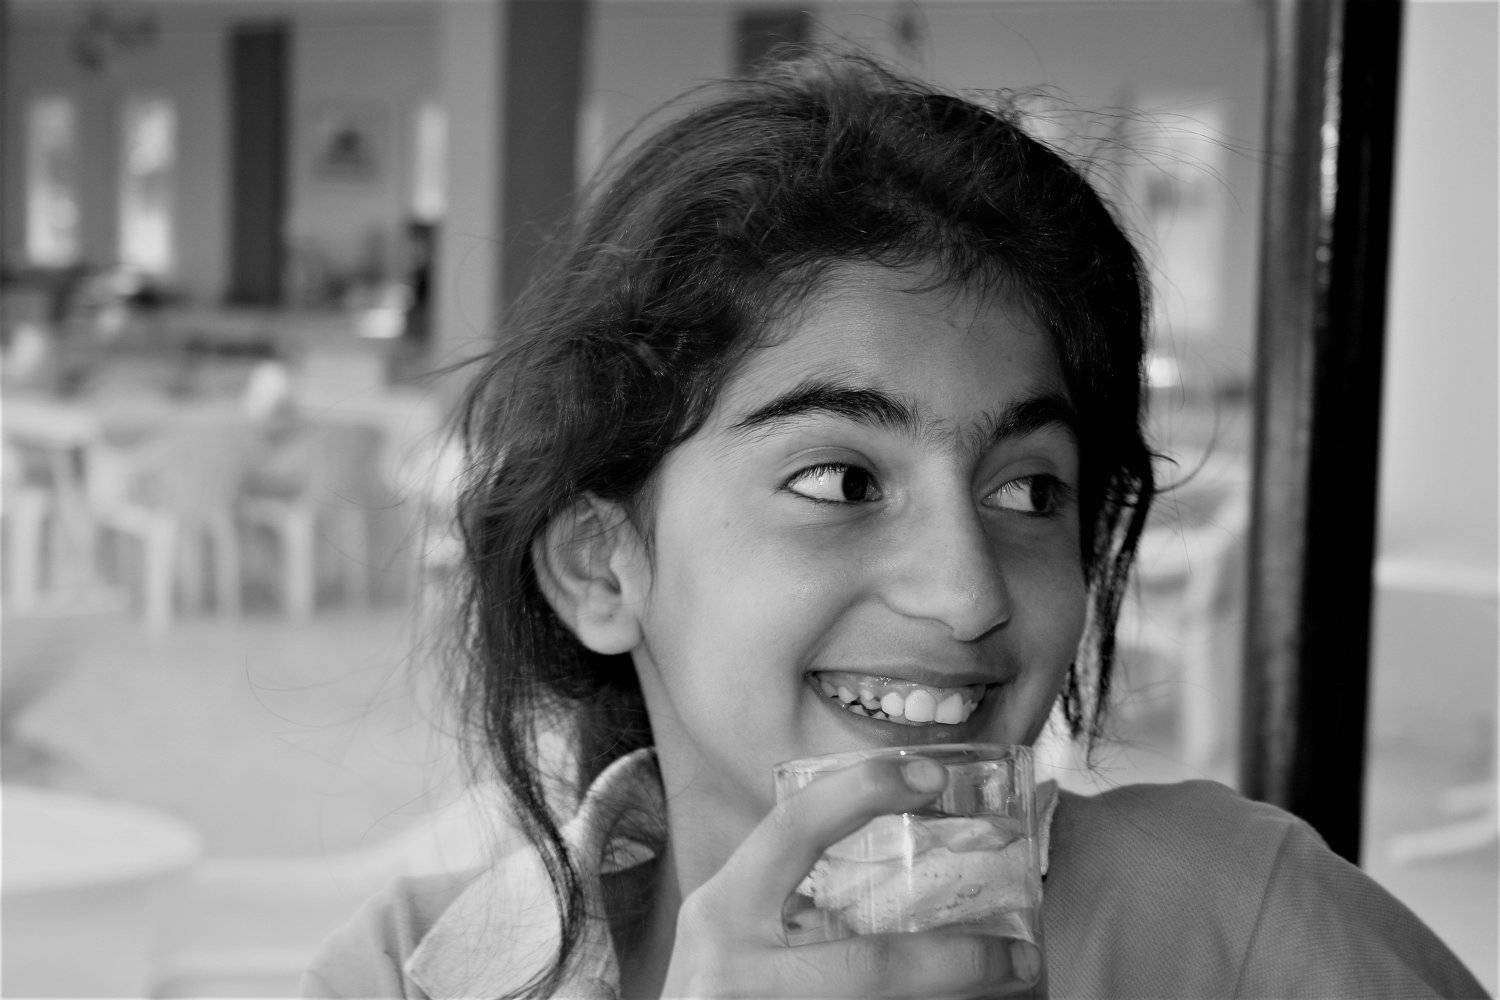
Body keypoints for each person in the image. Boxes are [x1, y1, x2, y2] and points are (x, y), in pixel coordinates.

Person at [302, 53, 1487, 1000]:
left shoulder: (1239, 929)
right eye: (840, 479)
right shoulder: (407, 971)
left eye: (1028, 491)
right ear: (600, 568)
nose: (969, 593)